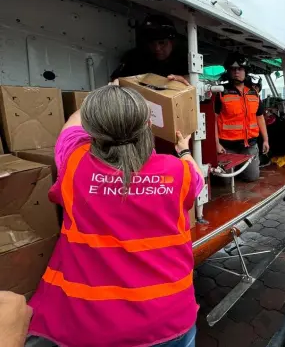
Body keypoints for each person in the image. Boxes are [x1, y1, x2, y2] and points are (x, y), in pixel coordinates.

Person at [27, 85, 203, 347]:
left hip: (94, 327)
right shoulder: (179, 173)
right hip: (171, 318)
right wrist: (184, 150)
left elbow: (71, 127)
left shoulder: (75, 164)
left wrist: (107, 90)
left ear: (92, 130)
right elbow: (196, 174)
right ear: (147, 124)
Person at [214, 53, 269, 182]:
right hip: (227, 146)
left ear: (246, 71)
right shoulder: (221, 93)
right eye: (233, 69)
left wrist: (266, 140)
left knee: (252, 178)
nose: (236, 72)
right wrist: (216, 144)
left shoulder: (253, 93)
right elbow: (213, 121)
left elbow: (260, 117)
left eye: (239, 69)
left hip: (249, 145)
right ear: (228, 71)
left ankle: (242, 168)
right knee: (225, 181)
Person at [110, 14, 190, 86]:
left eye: (162, 43)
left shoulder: (184, 59)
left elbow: (199, 78)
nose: (157, 48)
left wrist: (185, 78)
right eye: (152, 43)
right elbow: (116, 80)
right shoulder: (135, 58)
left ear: (172, 42)